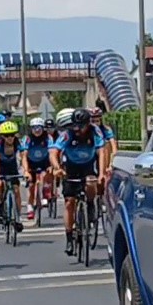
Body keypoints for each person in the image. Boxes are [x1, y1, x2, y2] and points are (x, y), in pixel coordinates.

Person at [50, 108, 106, 256]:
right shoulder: (67, 134)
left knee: (91, 183)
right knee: (69, 202)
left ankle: (90, 205)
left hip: (88, 165)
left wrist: (101, 173)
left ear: (87, 124)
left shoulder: (95, 132)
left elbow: (102, 152)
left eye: (81, 126)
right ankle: (69, 237)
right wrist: (57, 167)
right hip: (71, 167)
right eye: (75, 126)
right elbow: (54, 152)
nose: (78, 129)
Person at [0, 121, 26, 232]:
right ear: (2, 136)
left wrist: (26, 171)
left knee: (16, 191)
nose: (10, 138)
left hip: (12, 168)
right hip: (1, 168)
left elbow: (23, 158)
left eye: (12, 135)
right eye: (6, 136)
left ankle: (18, 217)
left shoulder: (18, 143)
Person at [21, 117, 54, 219]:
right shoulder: (27, 139)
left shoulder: (48, 138)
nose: (37, 130)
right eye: (34, 128)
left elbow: (52, 153)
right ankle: (30, 207)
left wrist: (52, 166)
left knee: (45, 175)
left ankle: (45, 192)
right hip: (31, 163)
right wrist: (26, 171)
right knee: (31, 186)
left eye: (39, 128)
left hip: (44, 161)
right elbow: (24, 156)